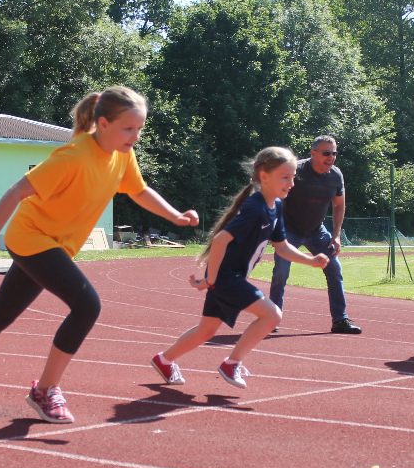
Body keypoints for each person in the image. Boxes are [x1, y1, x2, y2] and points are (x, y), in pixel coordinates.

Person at [0, 86, 197, 423]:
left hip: (53, 245)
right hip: (32, 238)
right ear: (102, 123)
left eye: (139, 128)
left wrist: (173, 215)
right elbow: (15, 193)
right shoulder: (73, 156)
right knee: (87, 305)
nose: (136, 136)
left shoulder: (122, 154)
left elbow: (138, 190)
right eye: (129, 128)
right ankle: (45, 389)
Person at [151, 147, 329, 389]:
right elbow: (220, 240)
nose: (292, 183)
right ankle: (231, 363)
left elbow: (282, 247)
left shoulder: (274, 207)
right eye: (285, 177)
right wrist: (212, 280)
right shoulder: (255, 208)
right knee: (272, 315)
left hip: (225, 277)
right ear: (264, 177)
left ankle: (164, 360)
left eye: (293, 176)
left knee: (206, 331)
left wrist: (310, 260)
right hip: (228, 278)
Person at [269, 135, 360, 334]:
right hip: (289, 231)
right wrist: (274, 228)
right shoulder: (297, 170)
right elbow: (276, 195)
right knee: (281, 273)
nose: (331, 157)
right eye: (326, 153)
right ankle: (271, 318)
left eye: (334, 153)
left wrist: (336, 235)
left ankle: (340, 320)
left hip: (317, 232)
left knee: (334, 269)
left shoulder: (336, 175)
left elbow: (339, 205)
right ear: (313, 153)